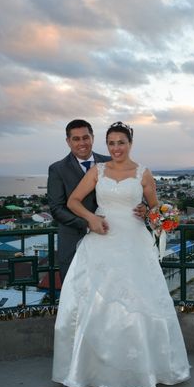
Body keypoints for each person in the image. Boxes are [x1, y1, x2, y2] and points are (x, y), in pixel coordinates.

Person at [52, 121, 190, 387]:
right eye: (111, 143)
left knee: (140, 299)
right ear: (107, 145)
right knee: (97, 303)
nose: (116, 148)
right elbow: (72, 202)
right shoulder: (97, 170)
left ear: (130, 144)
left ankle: (145, 368)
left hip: (134, 242)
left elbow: (155, 210)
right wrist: (92, 218)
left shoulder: (143, 173)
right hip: (101, 238)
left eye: (121, 143)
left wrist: (149, 212)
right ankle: (93, 370)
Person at [47, 120, 145, 281]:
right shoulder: (57, 169)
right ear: (68, 141)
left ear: (92, 137)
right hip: (74, 239)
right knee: (77, 293)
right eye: (76, 139)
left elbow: (132, 191)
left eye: (85, 137)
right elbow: (57, 209)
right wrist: (88, 222)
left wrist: (144, 207)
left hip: (114, 239)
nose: (82, 143)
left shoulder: (111, 161)